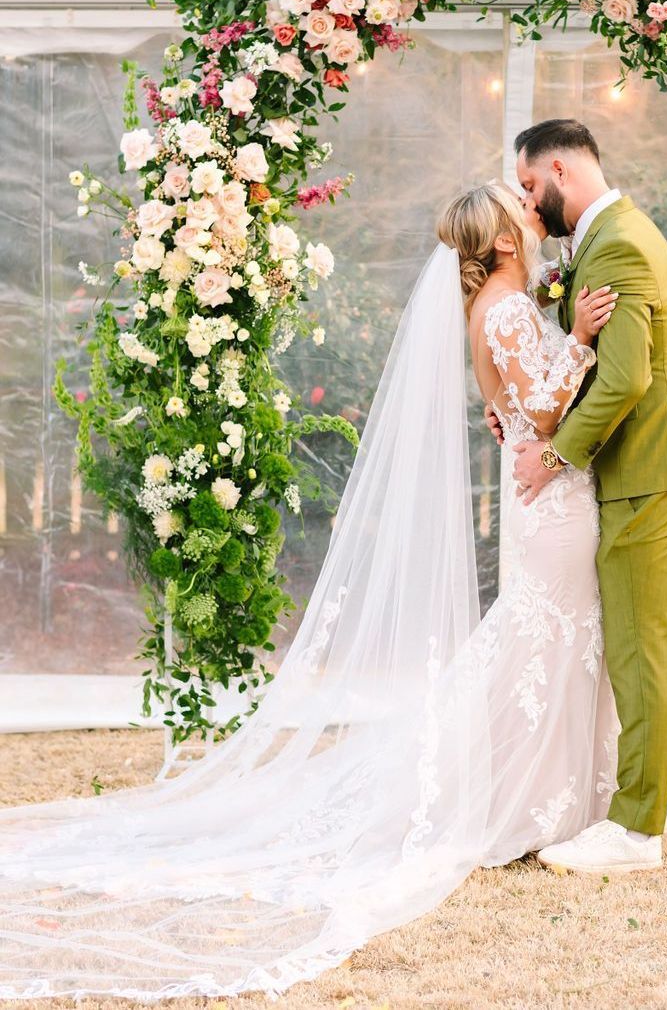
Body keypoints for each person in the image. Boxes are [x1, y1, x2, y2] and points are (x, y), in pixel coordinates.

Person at [0, 181, 631, 1001]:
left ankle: (544, 794)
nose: (532, 218)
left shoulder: (500, 307)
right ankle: (519, 796)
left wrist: (541, 375)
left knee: (544, 640)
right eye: (521, 215)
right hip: (552, 503)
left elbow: (506, 407)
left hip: (544, 500)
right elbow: (543, 417)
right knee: (542, 639)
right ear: (506, 243)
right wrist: (579, 341)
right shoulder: (508, 311)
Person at [496, 117, 667, 875]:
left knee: (638, 647)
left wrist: (553, 455)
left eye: (530, 185)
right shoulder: (607, 235)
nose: (530, 201)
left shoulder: (616, 243)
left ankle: (635, 832)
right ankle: (621, 811)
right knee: (630, 644)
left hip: (646, 467)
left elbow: (626, 379)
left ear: (558, 168)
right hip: (639, 466)